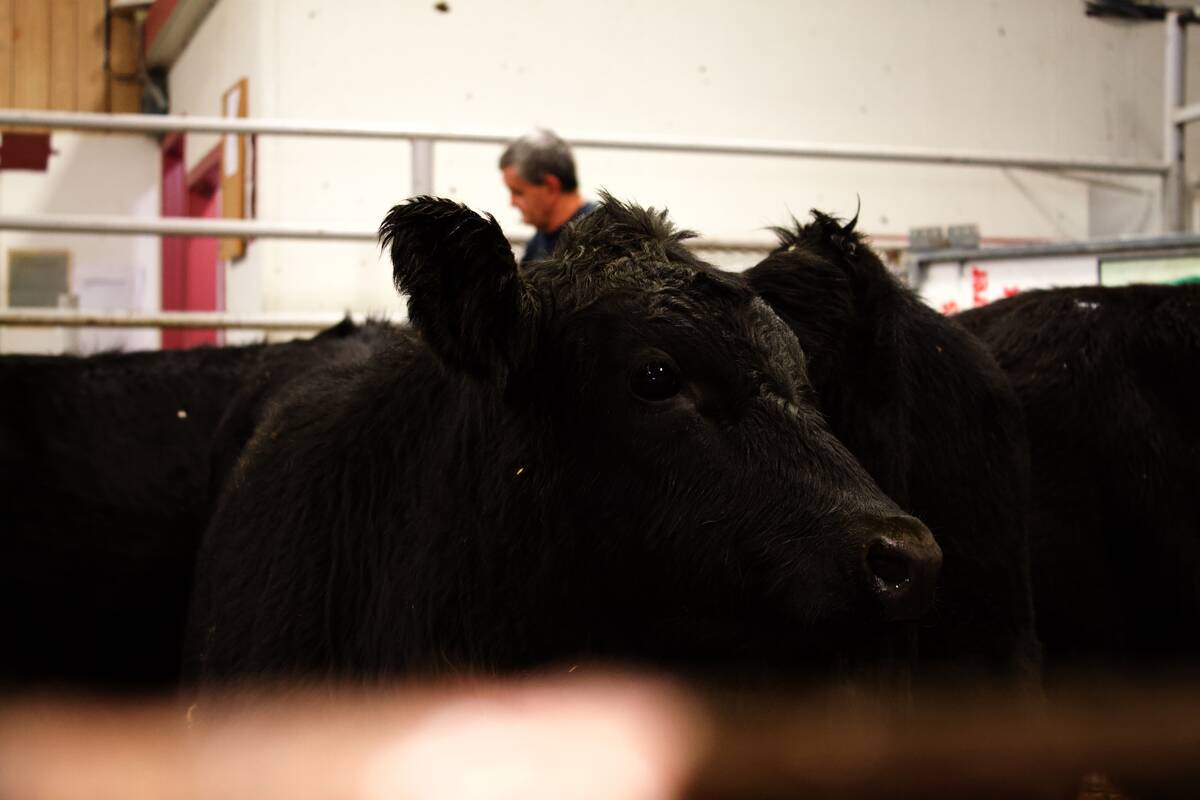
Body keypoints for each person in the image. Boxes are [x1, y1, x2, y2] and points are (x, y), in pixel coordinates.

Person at [499, 129, 597, 264]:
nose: (512, 202)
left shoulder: (599, 239)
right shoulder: (538, 241)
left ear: (551, 186)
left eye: (518, 192)